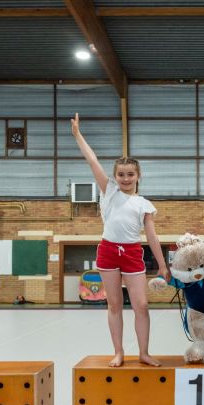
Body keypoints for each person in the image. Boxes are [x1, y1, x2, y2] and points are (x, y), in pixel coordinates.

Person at [72, 113, 169, 367]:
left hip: (132, 253)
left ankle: (144, 352)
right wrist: (78, 135)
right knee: (114, 304)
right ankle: (118, 351)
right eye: (122, 174)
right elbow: (92, 161)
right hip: (107, 251)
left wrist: (162, 265)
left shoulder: (143, 204)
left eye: (130, 174)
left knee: (142, 305)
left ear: (138, 176)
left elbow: (151, 236)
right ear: (116, 177)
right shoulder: (110, 191)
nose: (126, 179)